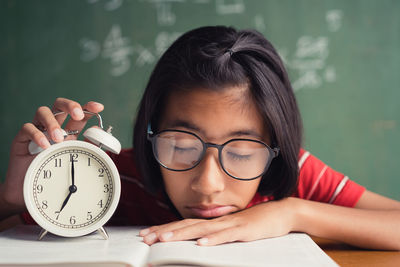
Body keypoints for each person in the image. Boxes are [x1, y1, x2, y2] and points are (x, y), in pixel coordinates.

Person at [1, 26, 400, 250]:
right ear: (149, 133)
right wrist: (12, 201)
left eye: (242, 153)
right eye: (179, 146)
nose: (208, 184)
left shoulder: (290, 172)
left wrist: (292, 212)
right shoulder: (111, 178)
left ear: (275, 148)